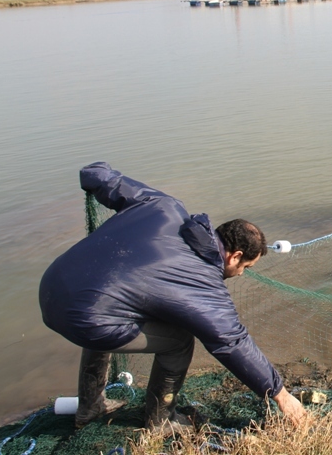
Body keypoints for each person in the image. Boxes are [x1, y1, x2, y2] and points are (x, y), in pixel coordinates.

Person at [39, 162, 307, 435]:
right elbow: (232, 342)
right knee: (178, 341)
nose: (240, 275)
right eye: (244, 268)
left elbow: (107, 180)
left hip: (53, 288)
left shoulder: (164, 207)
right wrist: (281, 395)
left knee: (113, 304)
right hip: (83, 318)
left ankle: (89, 406)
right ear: (235, 255)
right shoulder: (203, 283)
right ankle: (160, 420)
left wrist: (94, 172)